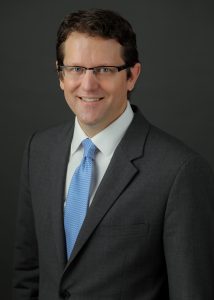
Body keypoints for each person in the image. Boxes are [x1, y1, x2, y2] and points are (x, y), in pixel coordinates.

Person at [13, 8, 214, 300]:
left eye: (105, 70)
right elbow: (27, 275)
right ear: (60, 75)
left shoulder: (180, 171)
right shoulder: (39, 151)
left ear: (132, 76)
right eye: (76, 69)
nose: (88, 84)